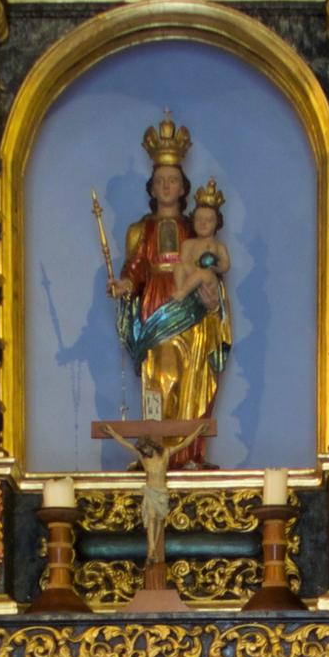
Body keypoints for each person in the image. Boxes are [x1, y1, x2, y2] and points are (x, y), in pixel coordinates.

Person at [109, 117, 230, 470]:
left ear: (182, 187)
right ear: (152, 186)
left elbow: (213, 269)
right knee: (159, 378)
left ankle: (190, 455)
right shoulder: (140, 230)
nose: (166, 186)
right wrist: (124, 286)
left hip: (191, 309)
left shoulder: (197, 227)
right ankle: (156, 454)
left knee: (193, 375)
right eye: (160, 180)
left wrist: (212, 297)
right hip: (156, 306)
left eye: (173, 180)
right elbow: (135, 270)